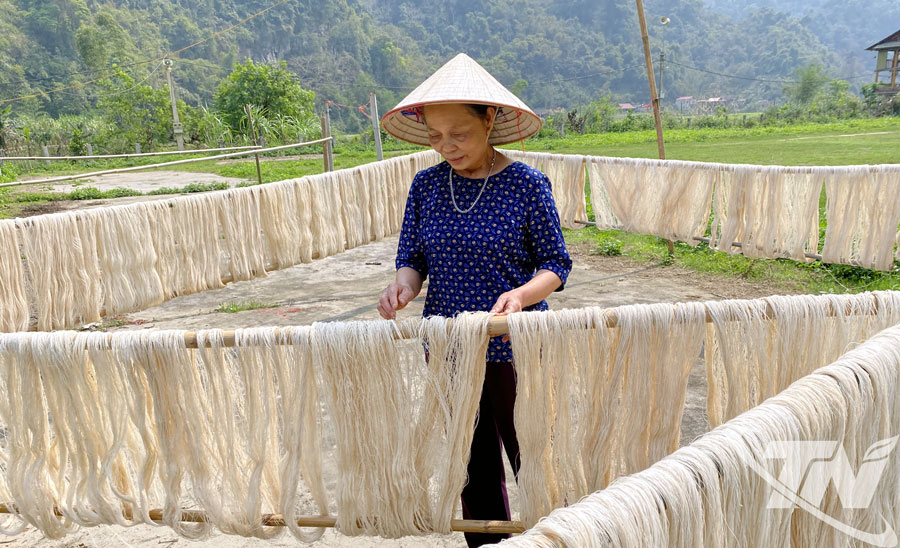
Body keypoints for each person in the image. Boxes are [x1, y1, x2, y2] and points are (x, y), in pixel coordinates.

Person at [377, 53, 572, 547]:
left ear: (489, 121)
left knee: (534, 454)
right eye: (435, 136)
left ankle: (557, 538)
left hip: (516, 344)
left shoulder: (527, 185)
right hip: (448, 346)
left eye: (458, 134)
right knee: (472, 460)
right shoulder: (425, 186)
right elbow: (412, 257)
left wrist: (520, 296)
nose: (446, 146)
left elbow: (556, 265)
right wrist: (403, 286)